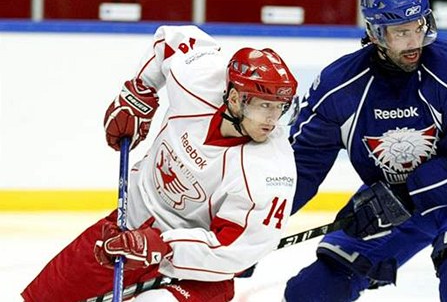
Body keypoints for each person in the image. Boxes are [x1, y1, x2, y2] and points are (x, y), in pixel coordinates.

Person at [284, 0, 447, 302]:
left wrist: (401, 196)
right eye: (400, 32)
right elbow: (300, 170)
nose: (414, 41)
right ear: (374, 33)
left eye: (419, 27)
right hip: (400, 196)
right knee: (314, 291)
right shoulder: (339, 88)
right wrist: (252, 229)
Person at [21, 25, 299, 302]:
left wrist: (165, 246)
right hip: (121, 234)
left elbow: (235, 250)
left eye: (280, 107)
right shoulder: (202, 79)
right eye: (263, 106)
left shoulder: (271, 172)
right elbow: (170, 40)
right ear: (235, 98)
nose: (272, 120)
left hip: (196, 275)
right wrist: (139, 92)